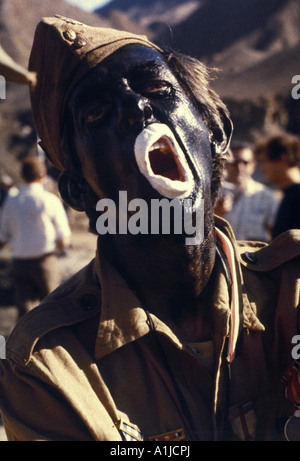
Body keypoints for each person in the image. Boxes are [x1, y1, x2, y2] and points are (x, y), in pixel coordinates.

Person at [0, 16, 299, 442]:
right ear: (79, 191)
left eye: (157, 90)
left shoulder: (295, 285)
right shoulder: (49, 370)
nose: (135, 109)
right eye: (97, 112)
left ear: (215, 131)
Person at [0, 156, 71, 317]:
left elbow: (3, 236)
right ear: (43, 175)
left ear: (23, 175)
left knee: (26, 316)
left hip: (20, 264)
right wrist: (58, 253)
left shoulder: (12, 202)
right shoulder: (50, 200)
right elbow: (64, 238)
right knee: (53, 312)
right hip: (45, 261)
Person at [214, 144, 278, 241]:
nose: (239, 167)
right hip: (222, 253)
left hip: (254, 254)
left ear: (253, 166)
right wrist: (215, 214)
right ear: (225, 164)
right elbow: (193, 233)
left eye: (245, 162)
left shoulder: (265, 196)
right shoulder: (211, 193)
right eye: (235, 163)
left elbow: (276, 234)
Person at [255, 133, 300, 239]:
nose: (262, 168)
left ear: (282, 158)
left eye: (264, 161)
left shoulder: (296, 197)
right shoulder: (289, 195)